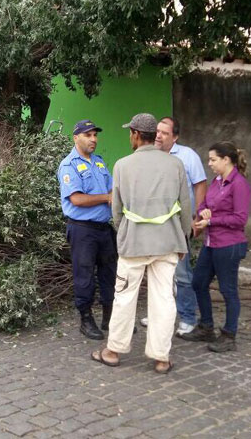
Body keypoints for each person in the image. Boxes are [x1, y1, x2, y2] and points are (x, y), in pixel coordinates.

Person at [91, 113, 191, 374]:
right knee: (164, 299)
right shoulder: (175, 165)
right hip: (168, 241)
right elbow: (186, 206)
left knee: (124, 297)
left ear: (136, 134)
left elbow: (117, 210)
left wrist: (123, 231)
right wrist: (183, 240)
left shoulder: (123, 165)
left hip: (134, 242)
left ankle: (113, 350)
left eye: (130, 133)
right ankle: (161, 357)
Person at [140, 117, 207, 336]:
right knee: (156, 272)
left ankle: (188, 318)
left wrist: (196, 217)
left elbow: (199, 185)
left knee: (182, 273)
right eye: (157, 131)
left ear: (175, 137)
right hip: (154, 226)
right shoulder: (150, 156)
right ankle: (158, 315)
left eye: (164, 133)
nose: (158, 135)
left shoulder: (188, 156)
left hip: (178, 226)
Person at [182, 142, 251, 353]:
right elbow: (204, 203)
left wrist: (212, 221)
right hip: (212, 243)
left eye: (213, 159)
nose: (209, 163)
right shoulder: (217, 181)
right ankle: (206, 327)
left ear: (226, 160)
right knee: (198, 282)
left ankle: (229, 335)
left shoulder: (239, 184)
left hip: (229, 245)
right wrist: (202, 213)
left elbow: (240, 219)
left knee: (228, 290)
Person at [57, 119, 115, 340]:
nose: (93, 139)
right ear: (76, 138)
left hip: (103, 228)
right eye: (88, 135)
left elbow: (113, 190)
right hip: (82, 230)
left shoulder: (99, 163)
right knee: (85, 275)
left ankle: (109, 317)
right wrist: (106, 198)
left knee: (109, 273)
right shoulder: (68, 165)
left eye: (95, 135)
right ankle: (86, 319)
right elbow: (77, 199)